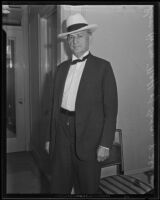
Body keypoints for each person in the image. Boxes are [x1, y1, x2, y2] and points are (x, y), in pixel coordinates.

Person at [45, 13, 118, 194]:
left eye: (80, 36)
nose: (75, 41)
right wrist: (49, 137)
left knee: (87, 187)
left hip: (90, 138)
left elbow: (111, 109)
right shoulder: (61, 69)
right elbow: (53, 106)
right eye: (71, 37)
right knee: (59, 185)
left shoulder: (103, 67)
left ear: (89, 38)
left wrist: (105, 144)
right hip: (61, 131)